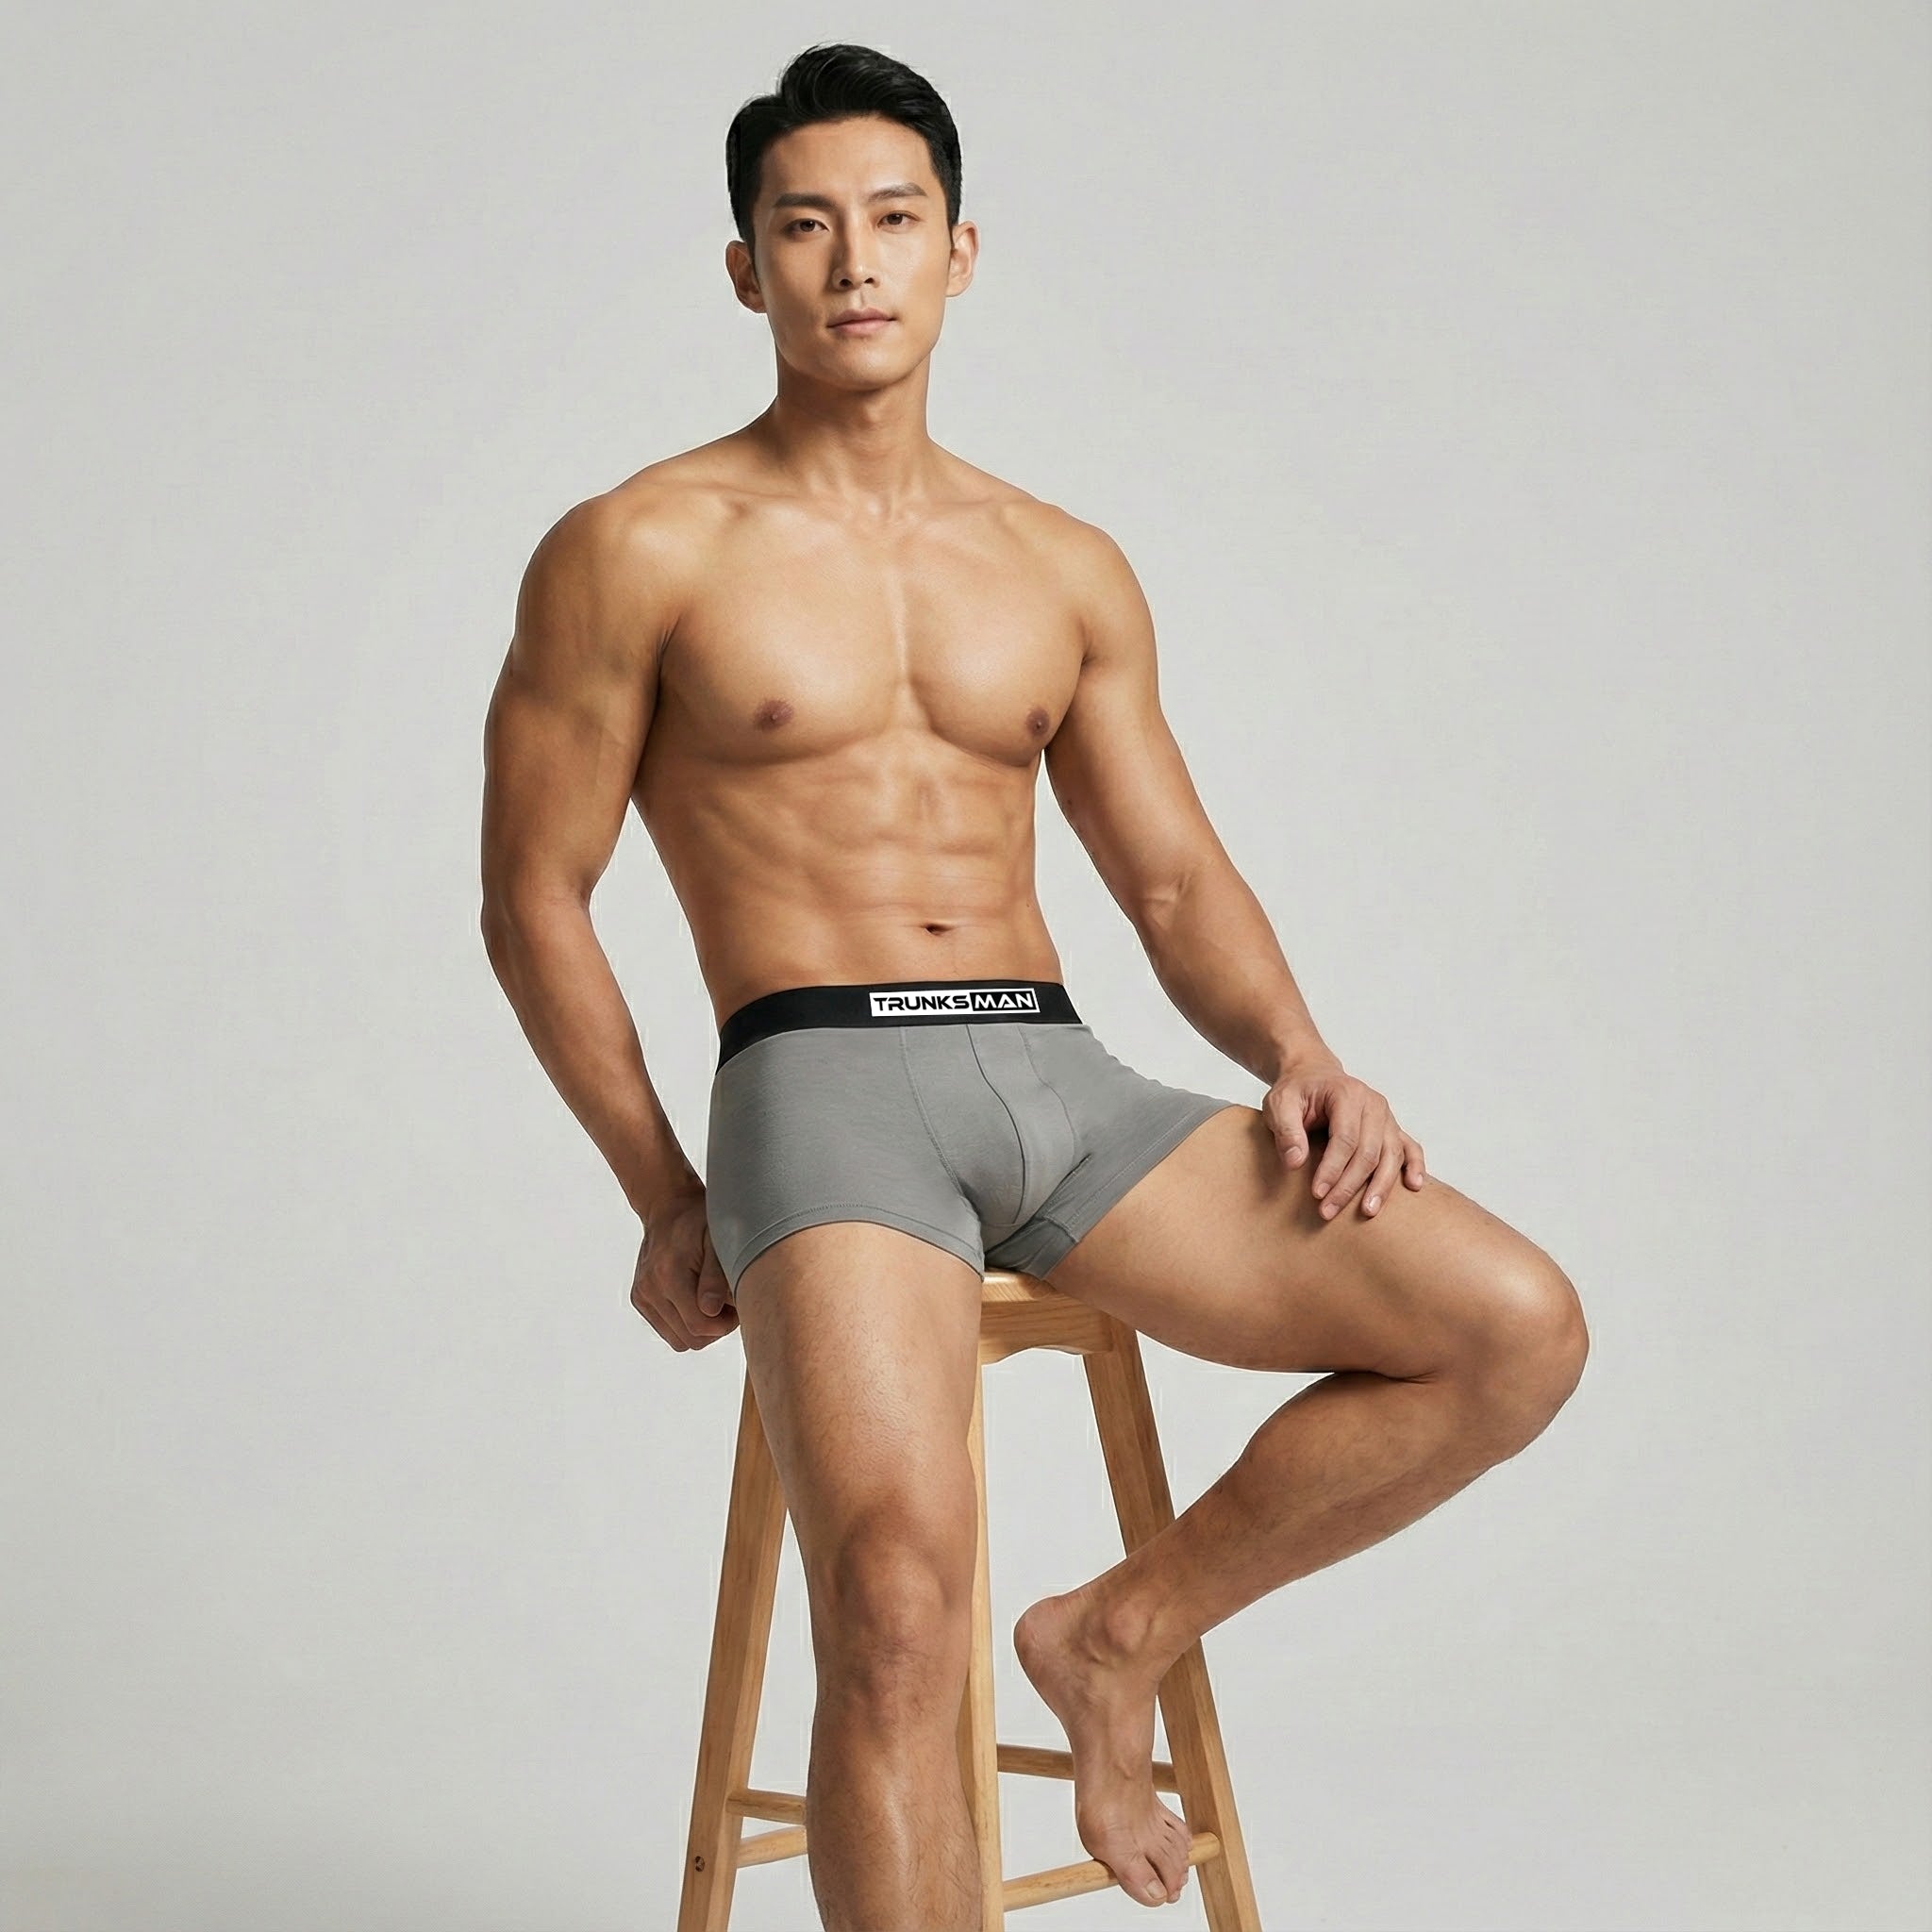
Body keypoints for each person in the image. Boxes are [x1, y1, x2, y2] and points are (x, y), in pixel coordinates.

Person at [478, 41, 1588, 1931]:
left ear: (961, 251)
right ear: (744, 268)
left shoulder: (1060, 565)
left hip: (1055, 1081)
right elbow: (533, 897)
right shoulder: (638, 546)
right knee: (897, 1601)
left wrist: (1301, 1051)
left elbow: (1168, 874)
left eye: (894, 220)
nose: (855, 263)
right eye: (804, 226)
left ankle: (1113, 1633)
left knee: (1511, 1326)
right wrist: (662, 1188)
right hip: (821, 1091)